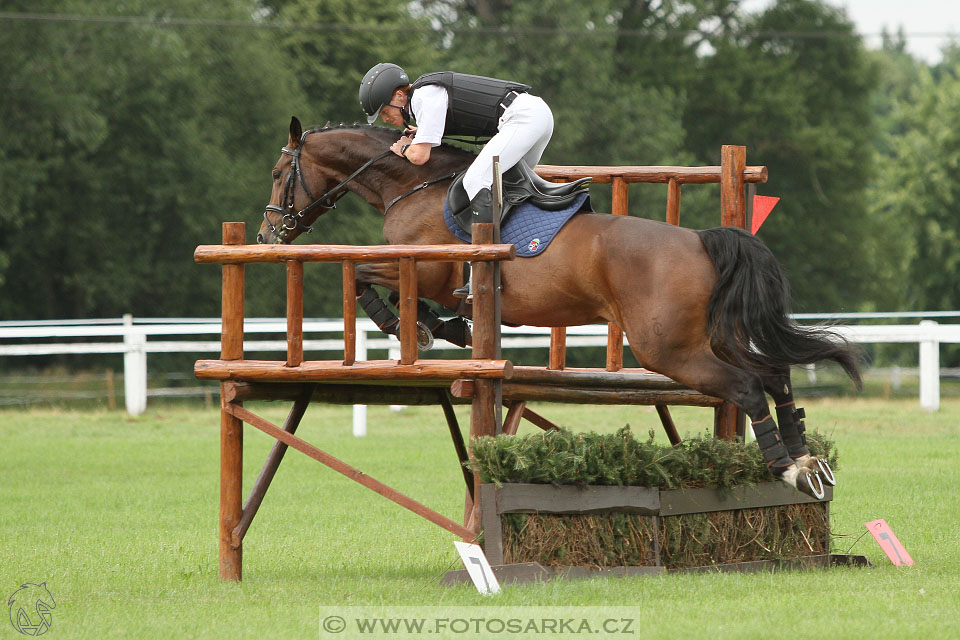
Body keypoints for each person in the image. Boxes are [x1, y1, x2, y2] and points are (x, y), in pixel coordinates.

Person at [359, 63, 555, 297]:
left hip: (522, 118)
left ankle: (483, 271)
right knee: (506, 185)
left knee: (474, 182)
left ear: (399, 96)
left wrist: (403, 149)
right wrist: (419, 135)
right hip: (534, 115)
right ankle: (525, 257)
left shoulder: (423, 96)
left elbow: (420, 156)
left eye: (383, 112)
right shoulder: (425, 96)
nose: (385, 119)